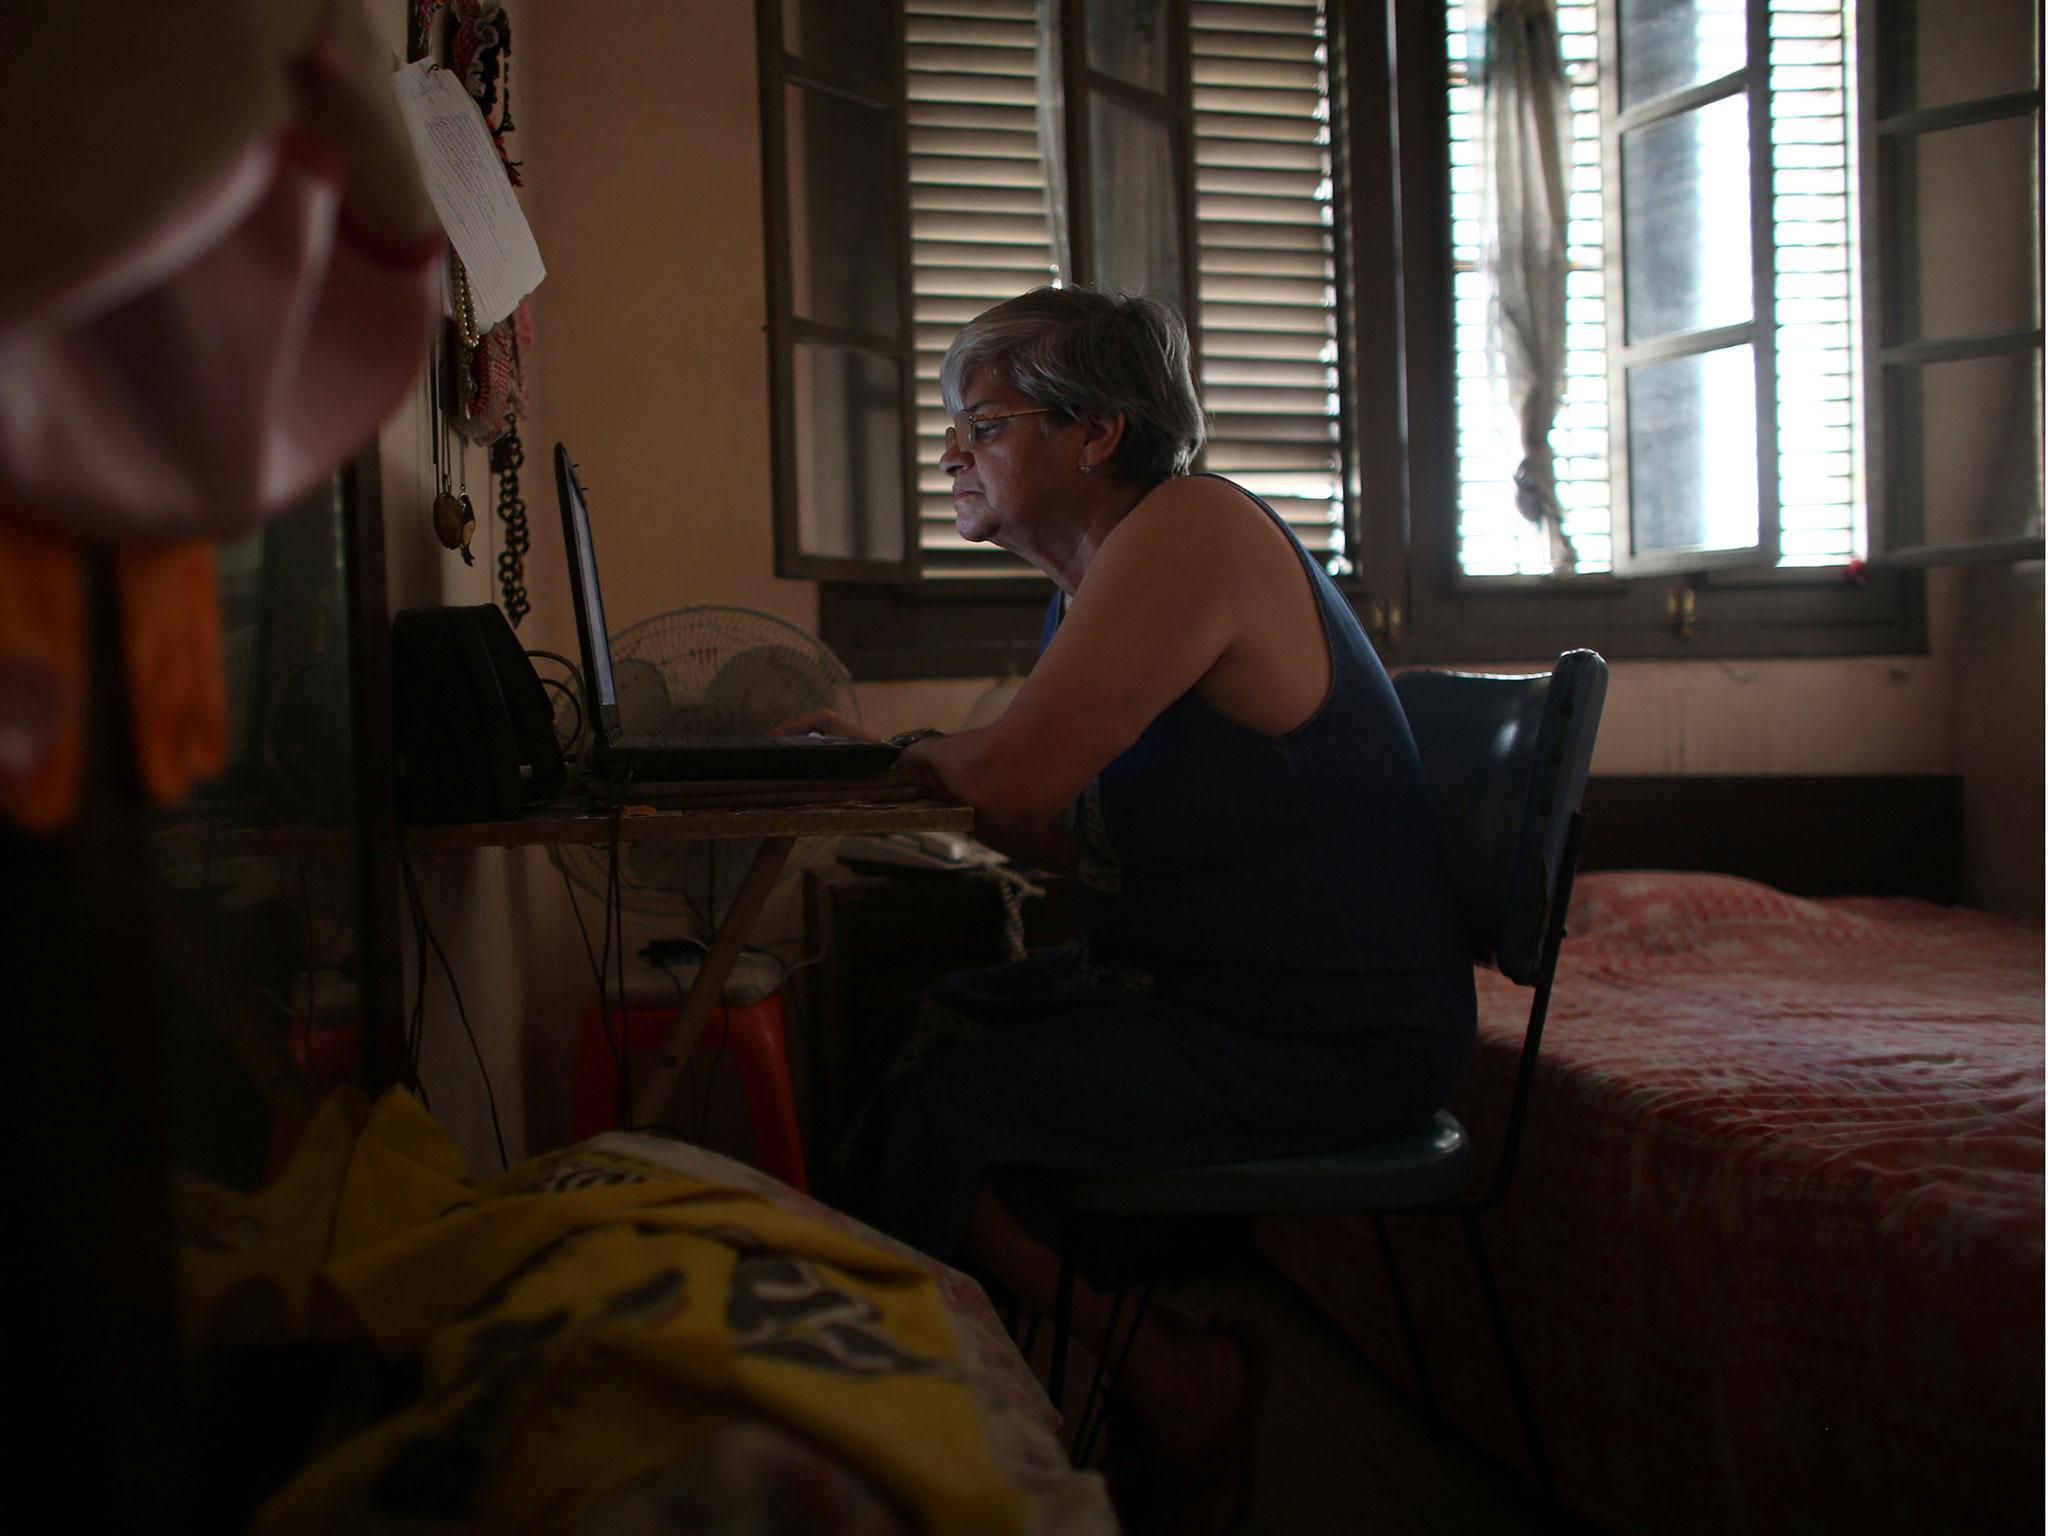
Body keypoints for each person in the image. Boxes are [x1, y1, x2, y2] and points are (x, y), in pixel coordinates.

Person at [788, 286, 1475, 1534]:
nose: (949, 451)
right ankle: (1138, 1379)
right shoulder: (1099, 583)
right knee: (925, 1033)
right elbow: (1061, 833)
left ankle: (948, 1448)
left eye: (980, 422)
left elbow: (1012, 781)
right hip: (1225, 994)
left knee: (944, 1095)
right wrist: (902, 759)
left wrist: (917, 754)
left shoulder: (1190, 530)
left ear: (1096, 431)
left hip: (1326, 1029)